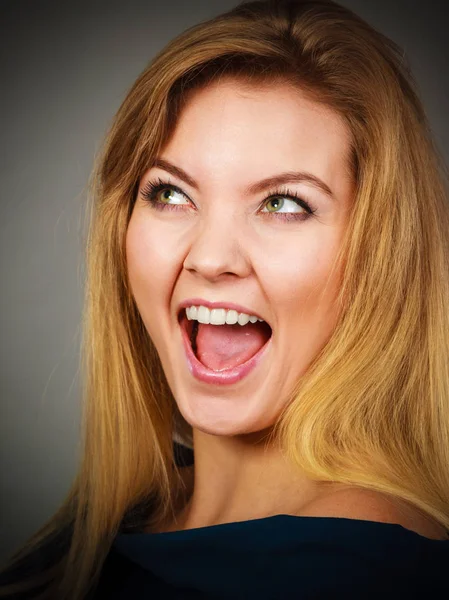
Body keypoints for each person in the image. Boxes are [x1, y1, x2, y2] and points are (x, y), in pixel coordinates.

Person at [1, 0, 449, 598]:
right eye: (170, 193)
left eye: (284, 204)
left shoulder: (365, 573)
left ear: (380, 255)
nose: (210, 258)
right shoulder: (110, 524)